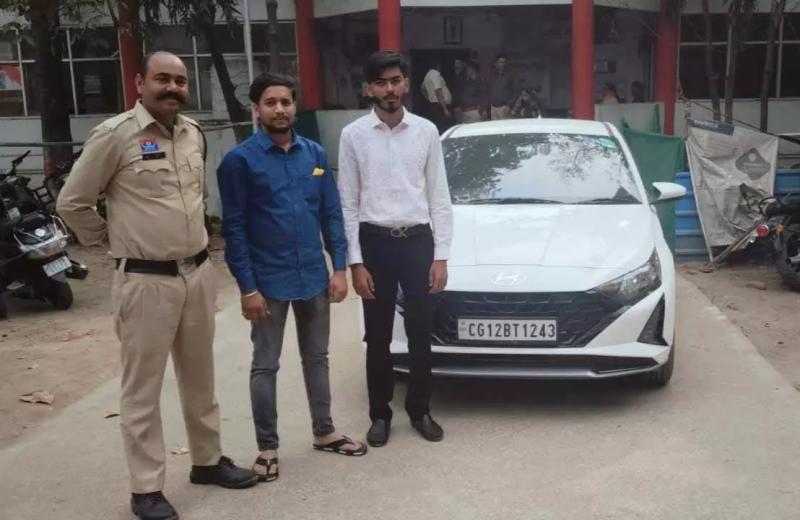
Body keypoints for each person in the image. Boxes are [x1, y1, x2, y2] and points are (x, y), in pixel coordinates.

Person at [56, 51, 256, 520]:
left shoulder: (193, 133)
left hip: (198, 274)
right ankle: (146, 488)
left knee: (200, 378)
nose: (173, 88)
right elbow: (73, 202)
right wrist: (112, 241)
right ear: (139, 82)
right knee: (142, 388)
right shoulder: (115, 135)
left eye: (180, 81)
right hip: (145, 282)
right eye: (162, 78)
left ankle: (207, 461)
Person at [217, 73, 368, 483]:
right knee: (265, 364)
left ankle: (324, 431)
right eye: (270, 103)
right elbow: (234, 229)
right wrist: (248, 288)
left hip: (313, 278)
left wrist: (339, 268)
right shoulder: (240, 161)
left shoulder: (314, 154)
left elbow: (331, 214)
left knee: (317, 357)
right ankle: (267, 447)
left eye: (286, 102)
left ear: (295, 106)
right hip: (267, 284)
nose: (280, 109)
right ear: (256, 109)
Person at [337, 50, 454, 447]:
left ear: (406, 84)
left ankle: (420, 410)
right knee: (378, 335)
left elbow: (439, 196)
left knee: (421, 332)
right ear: (368, 88)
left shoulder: (426, 131)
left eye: (396, 81)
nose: (389, 89)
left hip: (418, 242)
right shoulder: (353, 135)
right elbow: (348, 202)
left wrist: (441, 256)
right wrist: (355, 262)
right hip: (375, 244)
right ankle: (380, 414)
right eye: (381, 82)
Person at [420, 61, 453, 133]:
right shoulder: (435, 74)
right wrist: (445, 109)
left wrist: (429, 98)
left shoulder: (427, 75)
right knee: (444, 129)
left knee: (438, 126)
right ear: (438, 66)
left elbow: (422, 89)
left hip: (435, 105)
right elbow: (438, 91)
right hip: (440, 106)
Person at [488, 53, 514, 120]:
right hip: (493, 107)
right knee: (495, 126)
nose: (502, 64)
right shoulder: (491, 75)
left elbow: (515, 91)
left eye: (504, 62)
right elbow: (488, 90)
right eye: (500, 62)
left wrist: (509, 105)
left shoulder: (510, 75)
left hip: (504, 107)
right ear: (496, 63)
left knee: (506, 126)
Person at [451, 58, 467, 123]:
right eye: (455, 63)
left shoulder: (465, 75)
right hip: (456, 104)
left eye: (458, 63)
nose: (456, 65)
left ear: (462, 64)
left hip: (463, 104)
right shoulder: (454, 75)